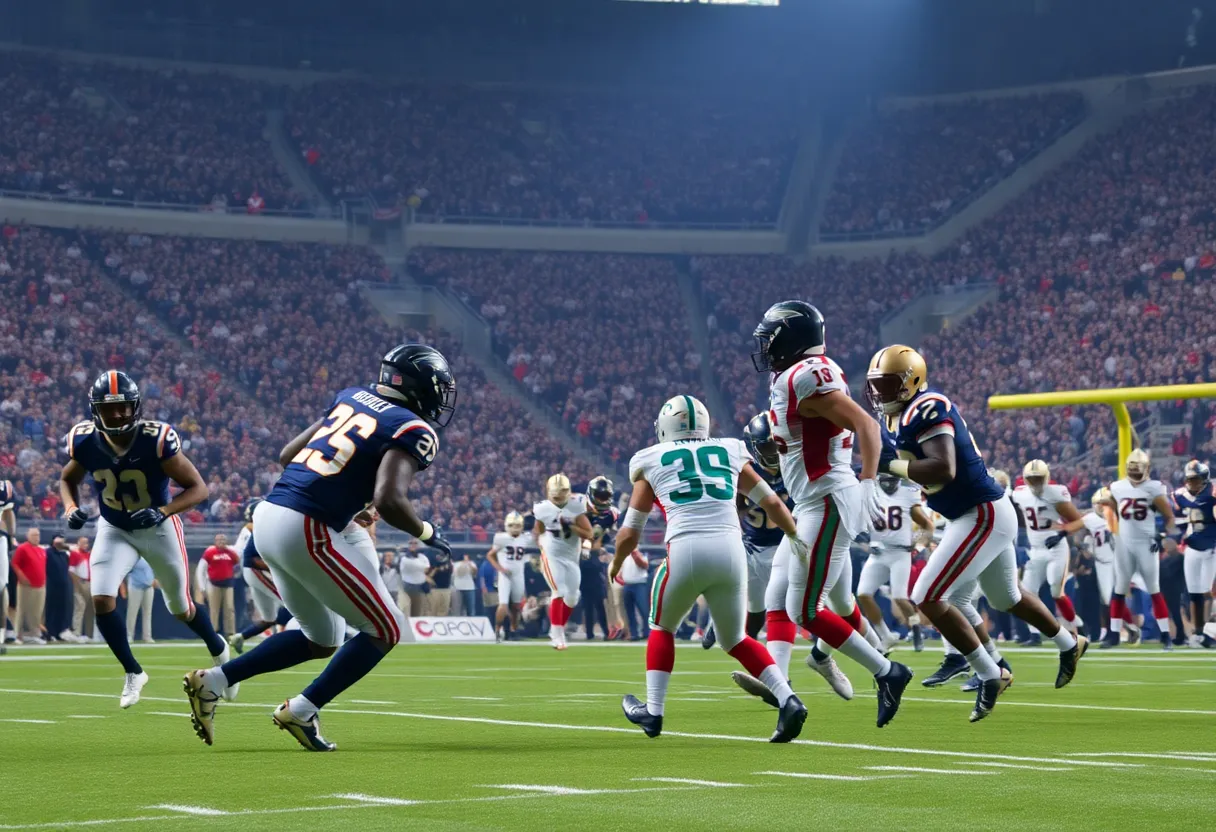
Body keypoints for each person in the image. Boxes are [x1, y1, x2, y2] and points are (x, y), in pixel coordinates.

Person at [182, 343, 455, 752]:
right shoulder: (413, 427)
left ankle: (215, 681)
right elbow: (389, 500)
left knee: (323, 637)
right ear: (421, 386)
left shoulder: (351, 396)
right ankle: (303, 708)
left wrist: (344, 499)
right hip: (306, 525)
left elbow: (288, 455)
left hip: (270, 516)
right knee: (387, 628)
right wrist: (428, 532)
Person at [867, 344, 1085, 722]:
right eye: (876, 384)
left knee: (927, 596)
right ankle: (1069, 642)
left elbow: (944, 468)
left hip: (980, 512)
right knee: (1004, 597)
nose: (880, 392)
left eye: (888, 384)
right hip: (973, 512)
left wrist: (893, 466)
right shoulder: (897, 417)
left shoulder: (927, 406)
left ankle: (989, 672)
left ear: (911, 381)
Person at [746, 302, 911, 724]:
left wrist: (869, 480)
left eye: (771, 338)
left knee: (805, 609)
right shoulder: (793, 375)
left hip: (827, 499)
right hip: (814, 501)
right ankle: (796, 681)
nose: (765, 347)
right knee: (802, 598)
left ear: (790, 338)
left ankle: (887, 671)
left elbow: (867, 425)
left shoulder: (806, 374)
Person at [612, 394, 807, 742]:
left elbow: (629, 532)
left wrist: (615, 562)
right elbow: (773, 502)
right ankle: (787, 699)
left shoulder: (650, 458)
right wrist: (794, 536)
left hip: (686, 548)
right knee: (736, 639)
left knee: (662, 626)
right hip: (731, 551)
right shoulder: (729, 450)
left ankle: (653, 712)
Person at [60, 370, 226, 709]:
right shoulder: (84, 439)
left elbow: (199, 489)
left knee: (180, 608)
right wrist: (70, 508)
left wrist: (163, 511)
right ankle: (133, 672)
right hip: (114, 528)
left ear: (135, 407)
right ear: (95, 410)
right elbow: (67, 479)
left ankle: (218, 647)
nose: (117, 414)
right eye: (109, 408)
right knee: (102, 598)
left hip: (158, 527)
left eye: (123, 407)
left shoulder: (156, 439)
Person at [1108, 449, 1177, 649]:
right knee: (1119, 588)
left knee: (1154, 588)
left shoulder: (1154, 487)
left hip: (1146, 544)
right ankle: (1113, 635)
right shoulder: (1117, 487)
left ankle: (1165, 636)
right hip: (1124, 543)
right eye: (1133, 471)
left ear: (1147, 469)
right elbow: (1113, 511)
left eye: (1138, 471)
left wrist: (1161, 535)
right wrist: (1114, 532)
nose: (1136, 475)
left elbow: (1169, 517)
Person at [1011, 459, 1087, 640]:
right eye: (1032, 478)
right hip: (1035, 550)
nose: (1036, 482)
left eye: (1039, 478)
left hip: (1056, 549)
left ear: (1046, 477)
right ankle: (1035, 634)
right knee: (1027, 594)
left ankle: (1077, 625)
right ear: (1025, 479)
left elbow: (1079, 521)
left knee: (1056, 592)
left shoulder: (1055, 493)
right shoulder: (1020, 494)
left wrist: (1062, 533)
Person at [858, 473, 932, 652]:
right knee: (863, 594)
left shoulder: (907, 495)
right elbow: (857, 525)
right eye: (887, 481)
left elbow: (927, 526)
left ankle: (916, 628)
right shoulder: (870, 494)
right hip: (878, 554)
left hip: (900, 553)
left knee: (900, 597)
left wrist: (918, 546)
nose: (890, 485)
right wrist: (866, 544)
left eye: (893, 481)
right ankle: (886, 635)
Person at [534, 473, 597, 650]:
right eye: (555, 497)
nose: (558, 500)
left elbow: (589, 533)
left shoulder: (576, 506)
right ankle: (557, 635)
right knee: (559, 591)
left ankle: (557, 629)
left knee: (573, 597)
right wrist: (541, 542)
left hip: (571, 556)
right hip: (552, 554)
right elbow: (539, 530)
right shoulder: (542, 508)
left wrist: (570, 525)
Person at [1172, 459, 1216, 648]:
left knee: (1207, 591)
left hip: (1211, 547)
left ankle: (1208, 631)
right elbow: (1176, 516)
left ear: (1204, 479)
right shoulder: (1181, 494)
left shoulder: (1212, 492)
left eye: (1196, 479)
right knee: (1194, 592)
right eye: (1189, 479)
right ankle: (1198, 632)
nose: (1192, 483)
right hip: (1191, 547)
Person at [487, 512, 531, 640]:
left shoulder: (525, 538)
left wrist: (533, 512)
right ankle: (497, 630)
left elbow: (537, 532)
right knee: (503, 604)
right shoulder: (501, 538)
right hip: (505, 575)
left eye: (518, 525)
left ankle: (513, 630)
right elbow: (490, 555)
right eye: (512, 525)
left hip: (518, 574)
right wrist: (500, 569)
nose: (515, 528)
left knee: (516, 606)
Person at [11, 528, 47, 644]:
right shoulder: (22, 548)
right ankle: (18, 635)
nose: (36, 537)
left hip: (40, 586)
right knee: (23, 609)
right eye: (34, 535)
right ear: (28, 536)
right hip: (26, 586)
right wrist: (21, 576)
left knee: (37, 612)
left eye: (38, 535)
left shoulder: (41, 550)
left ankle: (33, 634)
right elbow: (15, 563)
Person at [202, 533, 241, 635]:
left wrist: (233, 574)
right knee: (214, 609)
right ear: (215, 541)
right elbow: (204, 566)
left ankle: (230, 632)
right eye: (219, 540)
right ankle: (213, 631)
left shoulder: (230, 553)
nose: (221, 542)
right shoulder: (210, 552)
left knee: (229, 608)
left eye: (223, 540)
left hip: (228, 584)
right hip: (214, 584)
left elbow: (237, 562)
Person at [44, 533, 77, 642]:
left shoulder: (64, 555)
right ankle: (50, 633)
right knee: (51, 610)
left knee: (62, 609)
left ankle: (60, 632)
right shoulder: (48, 552)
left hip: (63, 586)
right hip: (51, 585)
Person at [124, 557, 157, 643]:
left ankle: (147, 636)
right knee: (132, 612)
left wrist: (154, 579)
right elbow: (125, 570)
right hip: (135, 586)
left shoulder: (150, 556)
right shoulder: (133, 556)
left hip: (149, 586)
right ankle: (129, 636)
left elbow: (154, 569)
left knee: (147, 612)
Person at [396, 540, 430, 616]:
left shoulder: (423, 557)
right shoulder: (403, 557)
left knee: (418, 610)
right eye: (411, 543)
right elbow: (401, 569)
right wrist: (418, 567)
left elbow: (426, 569)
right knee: (405, 609)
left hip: (420, 586)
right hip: (405, 585)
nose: (413, 545)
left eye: (415, 543)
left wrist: (414, 566)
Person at [69, 537, 92, 640]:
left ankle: (89, 634)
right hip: (80, 583)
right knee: (80, 606)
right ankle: (76, 632)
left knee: (90, 609)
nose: (84, 545)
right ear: (78, 543)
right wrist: (77, 583)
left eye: (86, 543)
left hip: (89, 582)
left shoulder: (88, 555)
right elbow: (71, 571)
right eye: (82, 543)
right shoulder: (75, 554)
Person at [0, 480, 13, 645]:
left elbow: (8, 513)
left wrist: (11, 537)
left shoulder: (4, 486)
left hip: (0, 538)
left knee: (1, 587)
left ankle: (1, 634)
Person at [426, 548, 453, 616]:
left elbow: (450, 572)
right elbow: (427, 576)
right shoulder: (432, 562)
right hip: (435, 590)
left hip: (446, 589)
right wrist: (435, 569)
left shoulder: (449, 563)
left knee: (444, 610)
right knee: (432, 610)